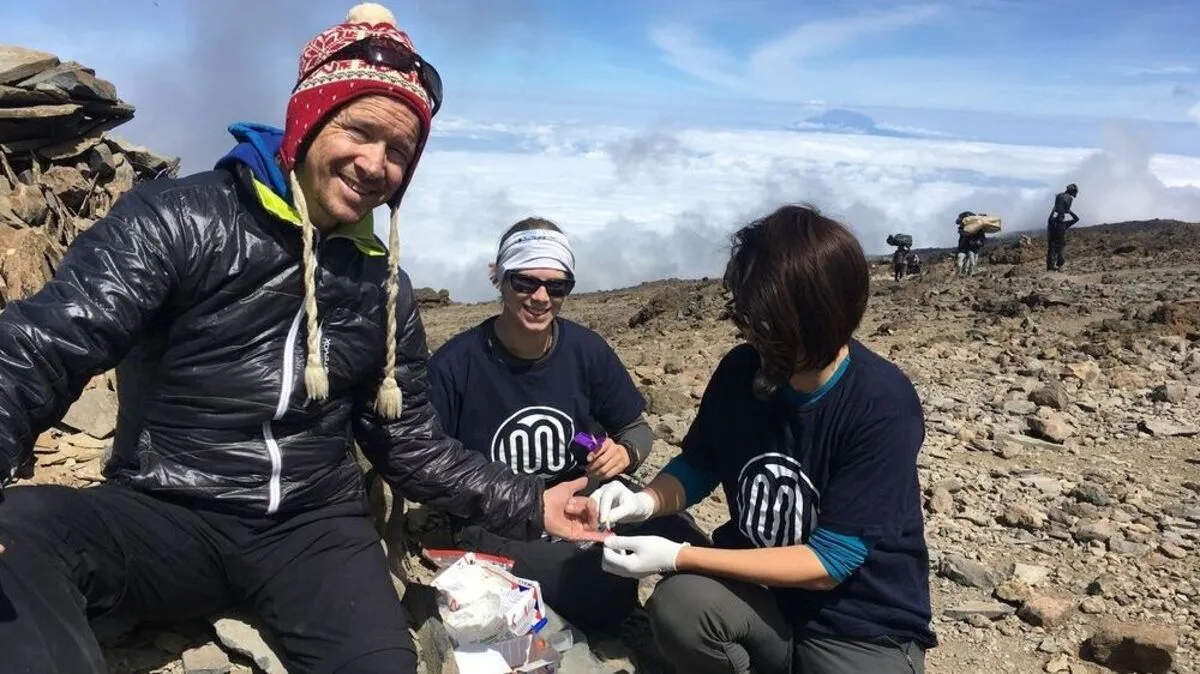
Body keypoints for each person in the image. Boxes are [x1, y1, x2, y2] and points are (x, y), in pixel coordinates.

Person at [0, 5, 601, 674]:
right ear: (310, 117)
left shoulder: (384, 289)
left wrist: (530, 501)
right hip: (166, 511)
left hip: (312, 534)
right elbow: (46, 343)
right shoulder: (180, 219)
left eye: (400, 151)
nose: (376, 163)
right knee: (19, 534)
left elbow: (409, 442)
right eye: (360, 130)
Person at [591, 204, 936, 674]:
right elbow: (701, 463)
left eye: (764, 324)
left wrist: (680, 555)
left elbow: (829, 562)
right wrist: (645, 503)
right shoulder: (743, 370)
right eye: (744, 318)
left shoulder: (880, 403)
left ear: (815, 319)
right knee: (681, 606)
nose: (750, 335)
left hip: (858, 625)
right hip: (762, 600)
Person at [427, 217, 709, 632]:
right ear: (500, 279)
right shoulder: (455, 365)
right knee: (601, 591)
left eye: (556, 286)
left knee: (689, 543)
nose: (541, 297)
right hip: (499, 514)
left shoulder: (585, 349)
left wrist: (624, 453)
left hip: (585, 498)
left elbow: (636, 428)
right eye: (525, 283)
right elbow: (430, 464)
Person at [1046, 183, 1080, 271]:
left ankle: (1058, 267)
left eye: (1062, 216)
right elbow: (1049, 219)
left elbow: (1077, 219)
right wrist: (1053, 211)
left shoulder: (1063, 224)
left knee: (1060, 257)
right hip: (1054, 242)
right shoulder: (1054, 222)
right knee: (1052, 254)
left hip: (1060, 243)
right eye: (1060, 216)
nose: (1062, 216)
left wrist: (1069, 211)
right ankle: (1051, 268)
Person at [955, 211, 987, 277]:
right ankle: (959, 276)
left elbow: (982, 241)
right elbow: (960, 230)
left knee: (970, 264)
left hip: (971, 249)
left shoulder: (973, 232)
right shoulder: (964, 231)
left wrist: (977, 243)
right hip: (964, 249)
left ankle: (966, 276)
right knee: (961, 264)